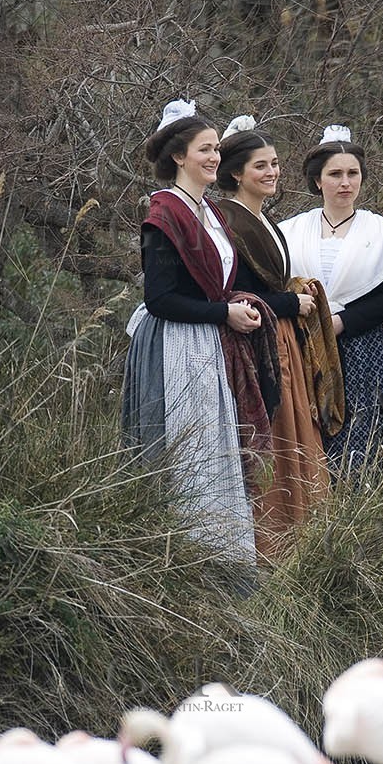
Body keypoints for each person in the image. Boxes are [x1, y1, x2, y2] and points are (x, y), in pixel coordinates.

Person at [120, 98, 279, 563]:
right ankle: (182, 553)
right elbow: (160, 299)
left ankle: (220, 553)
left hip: (206, 344)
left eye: (216, 150)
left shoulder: (207, 211)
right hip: (175, 344)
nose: (214, 157)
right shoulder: (163, 213)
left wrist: (234, 309)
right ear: (178, 156)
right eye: (205, 149)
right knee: (186, 446)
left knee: (215, 445)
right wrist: (222, 314)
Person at [214, 115, 331, 551]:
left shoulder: (263, 220)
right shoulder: (227, 220)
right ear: (236, 173)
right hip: (255, 342)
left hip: (280, 339)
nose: (272, 172)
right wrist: (289, 302)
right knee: (272, 433)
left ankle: (301, 534)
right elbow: (238, 289)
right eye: (261, 165)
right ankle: (272, 538)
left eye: (276, 163)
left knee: (295, 430)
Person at [279, 126, 383, 470]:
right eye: (335, 174)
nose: (345, 182)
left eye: (353, 174)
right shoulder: (289, 231)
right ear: (317, 180)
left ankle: (357, 509)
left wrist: (337, 323)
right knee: (307, 429)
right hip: (303, 344)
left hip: (361, 346)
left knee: (360, 436)